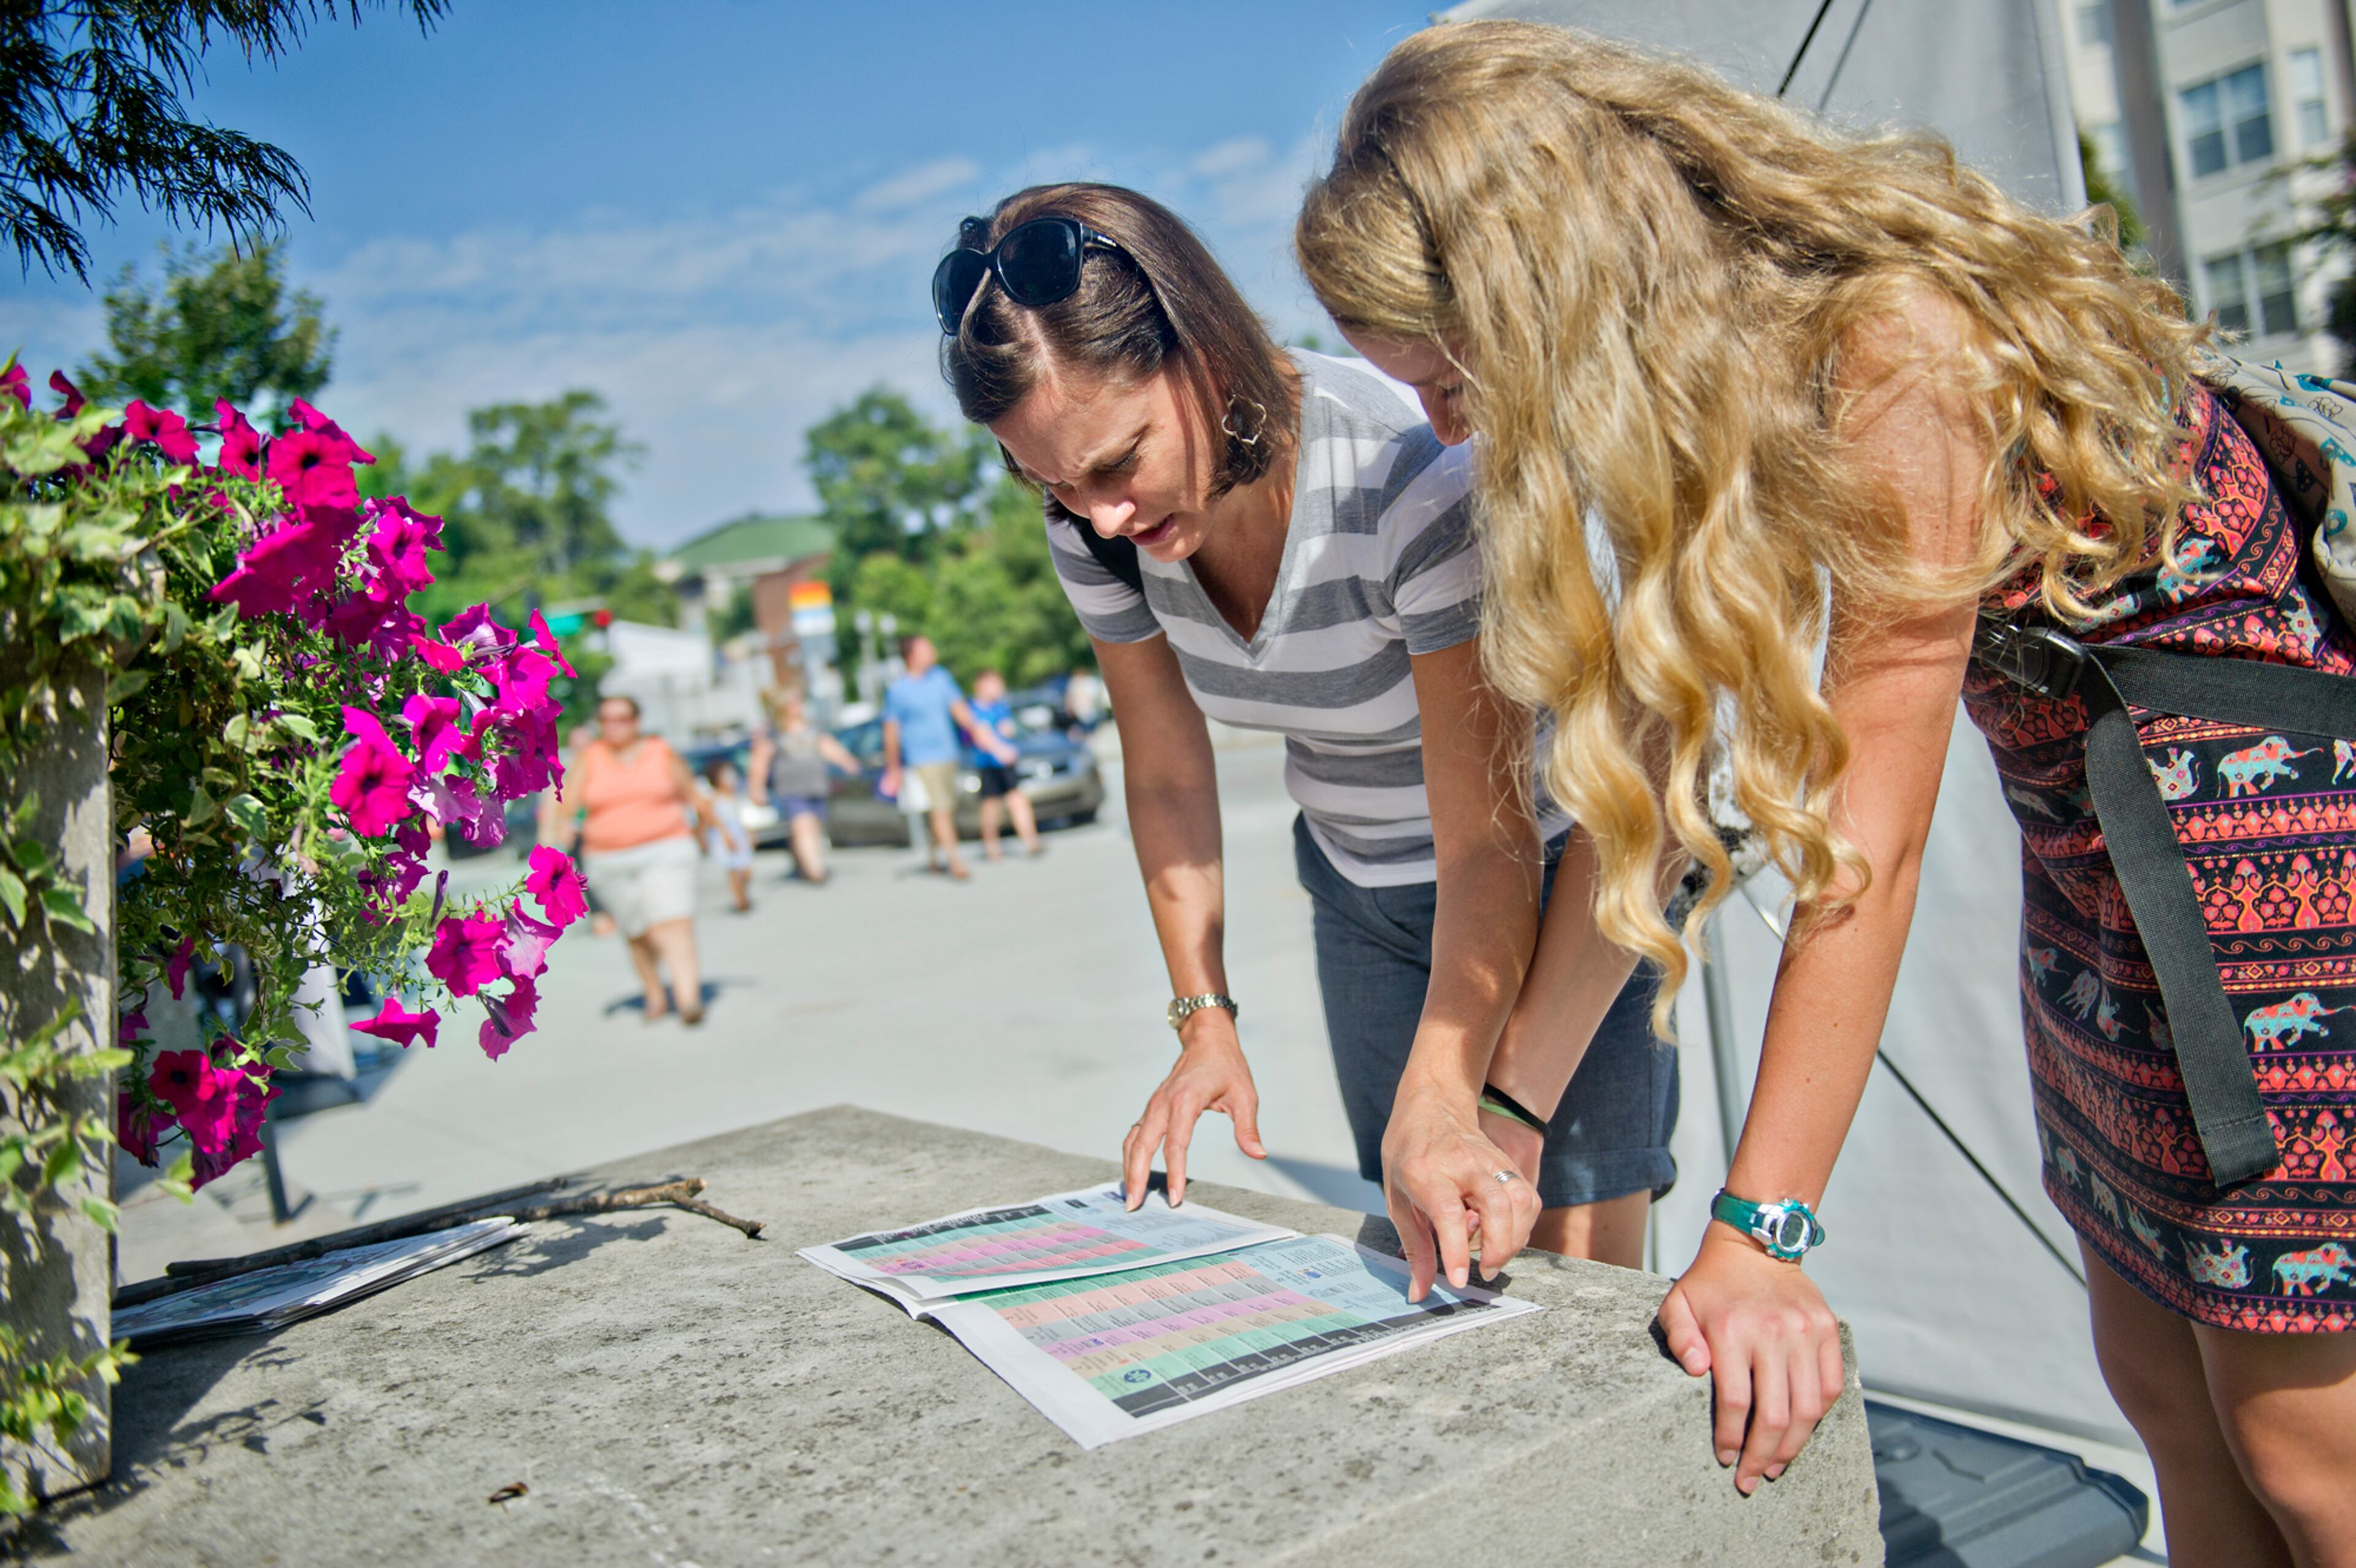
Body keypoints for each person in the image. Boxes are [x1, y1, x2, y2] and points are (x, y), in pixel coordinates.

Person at [1295, 19, 2356, 1552]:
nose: (1447, 431)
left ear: (1551, 292)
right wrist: (1502, 1111)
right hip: (2100, 878)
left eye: (1454, 379)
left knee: (2303, 1444)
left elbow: (1871, 834)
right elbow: (1653, 810)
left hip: (2265, 877)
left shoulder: (1894, 344)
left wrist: (1757, 1230)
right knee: (2167, 1405)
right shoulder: (1729, 390)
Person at [937, 182, 1674, 1266]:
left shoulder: (1408, 478)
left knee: (1572, 1280)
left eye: (1117, 460)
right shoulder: (1093, 529)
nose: (1100, 515)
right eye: (1050, 480)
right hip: (1362, 896)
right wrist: (1205, 1019)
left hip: (1558, 874)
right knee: (1441, 1264)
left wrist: (1457, 1092)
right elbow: (1168, 774)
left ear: (1201, 352)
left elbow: (1488, 838)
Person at [572, 695, 715, 1025]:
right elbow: (564, 805)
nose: (615, 726)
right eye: (608, 720)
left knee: (673, 922)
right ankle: (654, 992)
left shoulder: (660, 752)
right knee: (637, 932)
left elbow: (693, 794)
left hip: (667, 848)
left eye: (622, 719)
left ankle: (688, 998)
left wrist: (720, 830)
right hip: (609, 859)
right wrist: (555, 836)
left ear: (636, 722)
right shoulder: (590, 759)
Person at [880, 634, 1018, 881]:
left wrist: (981, 734)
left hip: (948, 753)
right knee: (941, 807)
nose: (933, 650)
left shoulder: (941, 678)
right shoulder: (898, 690)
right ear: (912, 656)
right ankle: (955, 861)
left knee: (944, 808)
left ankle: (934, 856)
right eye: (926, 648)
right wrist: (894, 768)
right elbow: (891, 731)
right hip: (922, 758)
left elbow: (960, 710)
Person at [748, 688, 860, 885]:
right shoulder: (774, 733)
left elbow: (827, 747)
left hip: (816, 785)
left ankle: (805, 862)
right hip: (792, 788)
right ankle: (815, 870)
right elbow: (760, 763)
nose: (798, 706)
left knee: (814, 827)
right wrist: (756, 789)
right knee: (803, 827)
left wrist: (846, 761)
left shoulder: (811, 729)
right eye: (793, 703)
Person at [967, 669, 1042, 859]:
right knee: (991, 806)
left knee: (1017, 799)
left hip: (1006, 763)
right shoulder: (974, 710)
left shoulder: (999, 707)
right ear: (981, 686)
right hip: (989, 763)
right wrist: (1000, 750)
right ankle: (991, 845)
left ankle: (1030, 840)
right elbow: (982, 736)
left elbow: (1009, 729)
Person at [701, 756, 756, 913]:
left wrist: (749, 833)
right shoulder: (712, 799)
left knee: (747, 870)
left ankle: (743, 895)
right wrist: (724, 835)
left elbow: (740, 819)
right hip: (724, 837)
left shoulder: (734, 796)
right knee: (734, 870)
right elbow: (711, 820)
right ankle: (740, 901)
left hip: (738, 834)